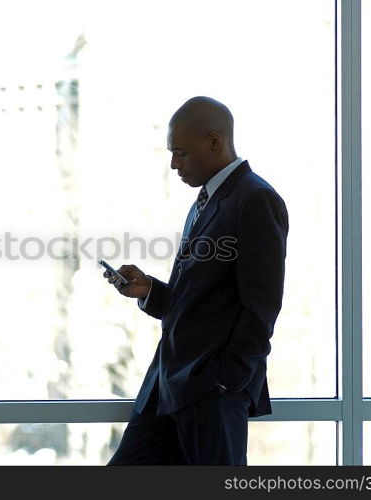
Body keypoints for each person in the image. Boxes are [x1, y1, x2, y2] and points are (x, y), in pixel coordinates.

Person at [104, 96, 288, 465]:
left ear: (215, 141)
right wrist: (150, 291)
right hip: (167, 386)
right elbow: (203, 300)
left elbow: (262, 306)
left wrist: (225, 382)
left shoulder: (256, 200)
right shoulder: (207, 200)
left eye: (181, 153)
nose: (174, 164)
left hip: (209, 391)